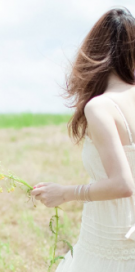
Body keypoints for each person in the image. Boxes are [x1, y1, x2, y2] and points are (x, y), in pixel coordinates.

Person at [31, 7, 135, 272]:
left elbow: (123, 184)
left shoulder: (101, 107)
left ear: (94, 50)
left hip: (113, 237)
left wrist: (65, 193)